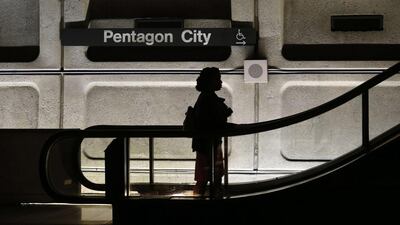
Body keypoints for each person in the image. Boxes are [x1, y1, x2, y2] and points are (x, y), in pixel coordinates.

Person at [191, 67, 233, 196]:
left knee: (204, 176)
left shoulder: (205, 97)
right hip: (209, 144)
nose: (220, 82)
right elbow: (212, 120)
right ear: (210, 81)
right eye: (218, 79)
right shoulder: (209, 98)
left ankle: (200, 198)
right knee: (211, 176)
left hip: (205, 144)